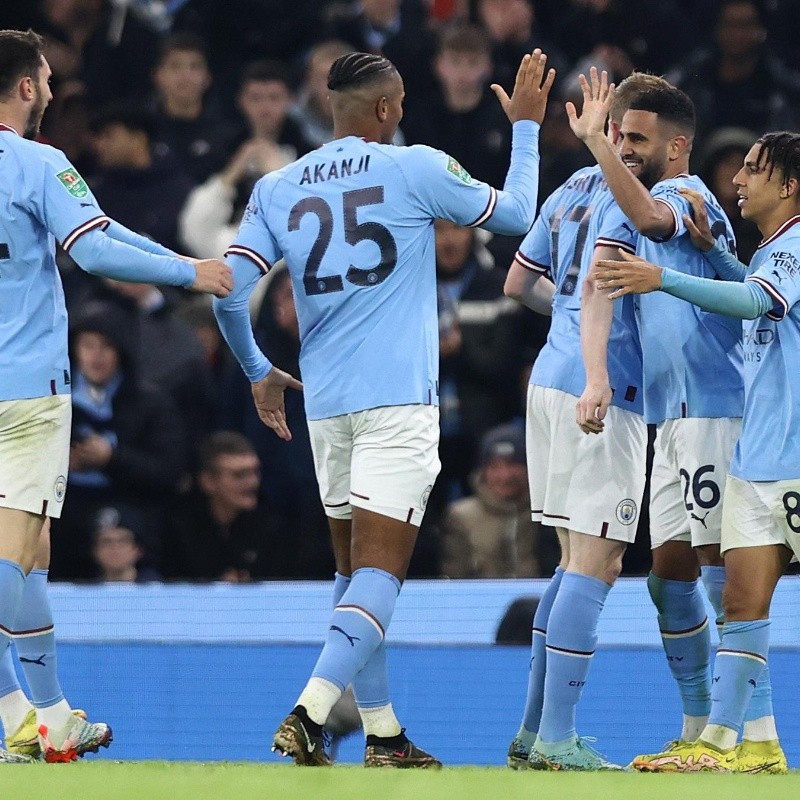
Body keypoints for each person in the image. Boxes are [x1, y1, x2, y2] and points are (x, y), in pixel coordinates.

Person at [213, 49, 555, 767]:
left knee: (352, 576)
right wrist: (525, 128)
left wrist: (256, 370)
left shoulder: (277, 186)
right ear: (387, 109)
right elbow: (519, 214)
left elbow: (225, 288)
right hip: (397, 402)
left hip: (326, 408)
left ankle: (383, 733)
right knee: (382, 575)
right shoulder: (415, 167)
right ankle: (310, 711)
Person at [0, 28, 231, 763]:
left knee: (31, 556)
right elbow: (93, 246)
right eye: (44, 78)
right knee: (10, 559)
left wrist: (180, 262)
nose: (52, 91)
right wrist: (189, 274)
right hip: (25, 394)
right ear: (29, 88)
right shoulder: (38, 163)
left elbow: (99, 231)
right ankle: (51, 717)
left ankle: (25, 720)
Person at [571, 70, 782, 771]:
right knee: (667, 573)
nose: (625, 147)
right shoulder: (665, 199)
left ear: (677, 145)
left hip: (715, 408)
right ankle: (700, 726)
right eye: (619, 136)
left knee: (726, 574)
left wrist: (597, 149)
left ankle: (749, 737)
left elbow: (653, 222)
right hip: (673, 412)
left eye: (636, 138)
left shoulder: (679, 192)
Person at [502, 71, 668, 772]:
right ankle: (558, 741)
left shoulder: (571, 185)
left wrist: (566, 322)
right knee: (598, 560)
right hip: (604, 386)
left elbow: (516, 283)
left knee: (573, 560)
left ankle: (533, 732)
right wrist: (596, 361)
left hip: (548, 377)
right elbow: (606, 283)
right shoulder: (631, 195)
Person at [441, 422, 557, 579]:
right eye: (494, 466)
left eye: (512, 464)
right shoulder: (461, 516)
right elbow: (453, 577)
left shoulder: (547, 512)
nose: (505, 476)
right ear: (482, 471)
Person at [91, 505, 162, 582]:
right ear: (95, 550)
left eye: (122, 541)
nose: (114, 548)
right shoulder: (86, 590)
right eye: (107, 542)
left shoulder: (156, 589)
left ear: (138, 549)